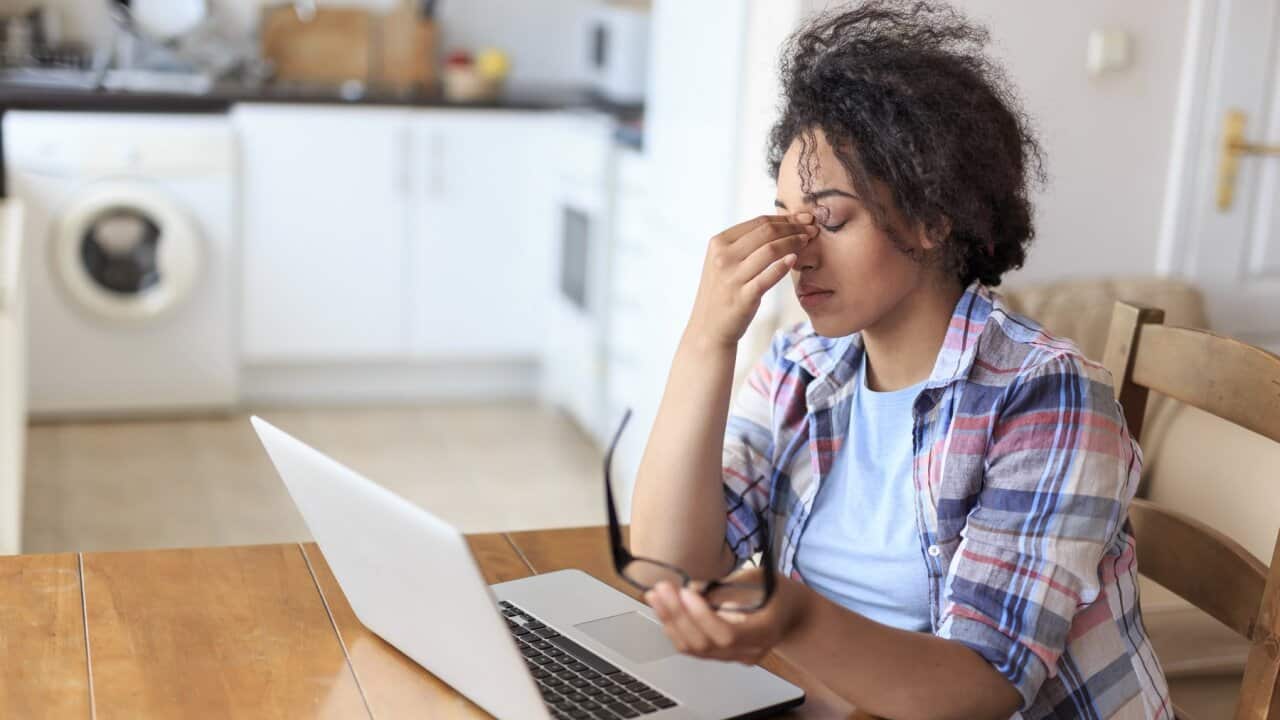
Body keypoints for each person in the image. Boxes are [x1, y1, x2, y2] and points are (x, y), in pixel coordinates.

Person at [627, 2, 1171, 718]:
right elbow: (668, 566)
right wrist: (707, 339)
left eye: (829, 218)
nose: (798, 252)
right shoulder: (804, 363)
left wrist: (796, 617)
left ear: (930, 217)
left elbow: (985, 686)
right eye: (787, 218)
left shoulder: (1047, 397)